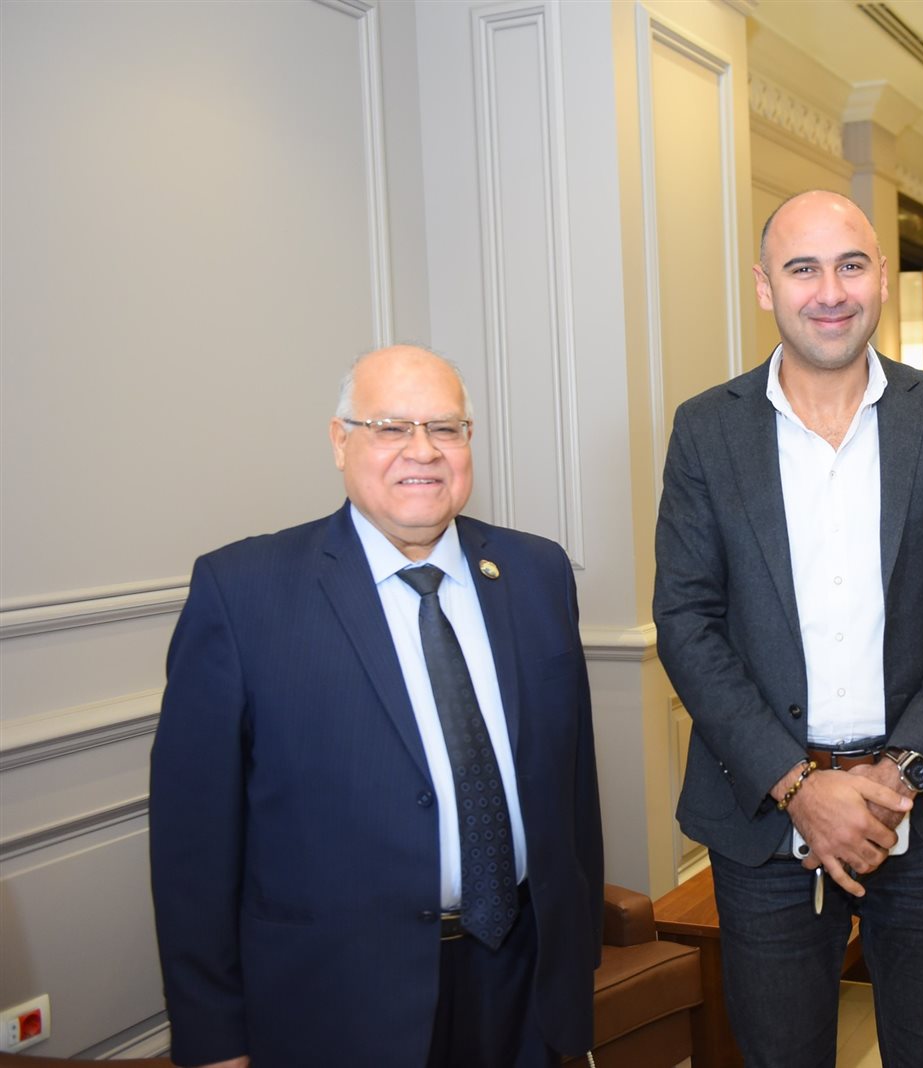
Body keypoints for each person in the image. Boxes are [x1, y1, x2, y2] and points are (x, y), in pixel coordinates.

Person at [149, 345, 603, 1068]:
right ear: (340, 441)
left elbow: (573, 789)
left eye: (446, 428)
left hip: (524, 983)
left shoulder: (536, 571)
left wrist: (576, 968)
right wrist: (212, 1038)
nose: (422, 451)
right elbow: (193, 844)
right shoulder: (243, 593)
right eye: (391, 427)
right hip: (340, 1001)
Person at [653, 190, 923, 1067]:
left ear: (881, 277)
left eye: (850, 265)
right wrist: (797, 785)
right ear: (764, 286)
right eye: (802, 268)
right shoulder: (707, 429)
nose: (830, 291)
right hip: (765, 819)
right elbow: (687, 619)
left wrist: (899, 774)